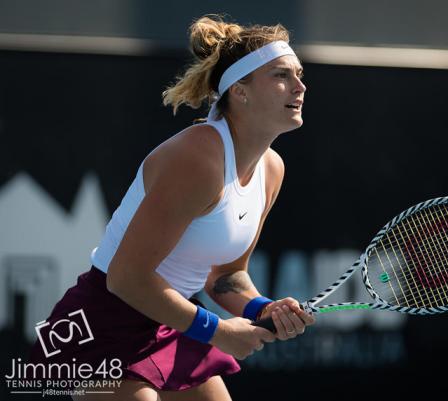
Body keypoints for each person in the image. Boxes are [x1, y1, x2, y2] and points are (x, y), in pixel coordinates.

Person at [29, 15, 314, 400]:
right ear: (240, 91)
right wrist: (218, 331)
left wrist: (262, 309)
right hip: (105, 319)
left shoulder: (271, 169)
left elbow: (226, 276)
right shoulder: (198, 157)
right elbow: (126, 278)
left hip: (173, 319)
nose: (300, 86)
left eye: (298, 74)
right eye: (282, 75)